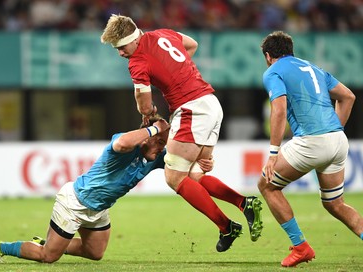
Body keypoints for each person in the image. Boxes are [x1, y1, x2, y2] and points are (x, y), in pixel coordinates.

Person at [100, 14, 263, 252]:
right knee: (194, 175)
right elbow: (192, 44)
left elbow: (145, 106)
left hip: (191, 109)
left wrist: (149, 111)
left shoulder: (137, 62)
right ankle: (244, 203)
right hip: (210, 103)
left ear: (133, 39)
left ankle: (227, 226)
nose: (121, 53)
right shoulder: (163, 34)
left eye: (122, 47)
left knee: (173, 177)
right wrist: (174, 71)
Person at [0, 116, 209, 264]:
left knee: (95, 253)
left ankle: (47, 241)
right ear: (147, 138)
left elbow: (187, 173)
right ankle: (1, 247)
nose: (162, 148)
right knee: (49, 257)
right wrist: (153, 128)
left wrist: (204, 162)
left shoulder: (156, 158)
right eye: (160, 142)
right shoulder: (123, 146)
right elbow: (122, 143)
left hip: (98, 210)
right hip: (75, 202)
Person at [258, 30, 362, 267]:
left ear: (268, 55)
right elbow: (348, 97)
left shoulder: (273, 71)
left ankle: (300, 247)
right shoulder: (313, 68)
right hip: (338, 140)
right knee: (335, 204)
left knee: (266, 185)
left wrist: (273, 153)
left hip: (311, 141)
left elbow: (279, 110)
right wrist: (334, 130)